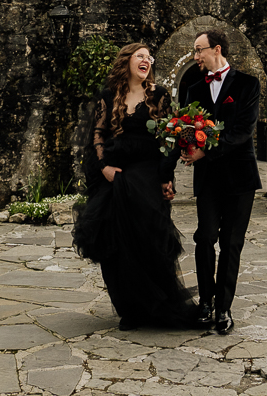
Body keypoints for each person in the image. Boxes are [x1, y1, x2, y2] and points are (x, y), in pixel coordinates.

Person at [70, 41, 200, 330]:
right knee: (118, 247)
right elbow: (98, 134)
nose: (146, 60)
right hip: (115, 179)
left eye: (148, 57)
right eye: (140, 56)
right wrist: (103, 167)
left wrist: (168, 178)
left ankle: (158, 307)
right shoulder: (109, 96)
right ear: (127, 61)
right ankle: (130, 310)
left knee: (151, 241)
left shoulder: (159, 96)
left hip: (147, 179)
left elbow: (169, 140)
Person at [176, 29, 261, 335]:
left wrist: (204, 152)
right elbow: (186, 128)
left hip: (240, 178)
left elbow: (242, 131)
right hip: (209, 180)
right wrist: (185, 147)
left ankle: (224, 308)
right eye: (195, 51)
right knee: (204, 237)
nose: (195, 56)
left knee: (231, 243)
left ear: (217, 49)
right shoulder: (194, 89)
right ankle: (206, 304)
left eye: (199, 50)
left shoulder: (248, 84)